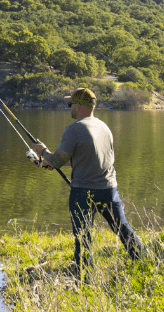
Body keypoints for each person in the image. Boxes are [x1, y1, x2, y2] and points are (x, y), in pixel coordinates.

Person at [29, 87, 144, 273]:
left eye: (70, 104)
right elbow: (93, 158)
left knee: (83, 235)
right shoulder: (104, 127)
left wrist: (43, 152)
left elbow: (58, 159)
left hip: (84, 192)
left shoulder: (73, 130)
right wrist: (53, 162)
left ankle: (84, 275)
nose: (69, 108)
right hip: (109, 189)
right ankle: (142, 261)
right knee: (122, 228)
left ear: (79, 106)